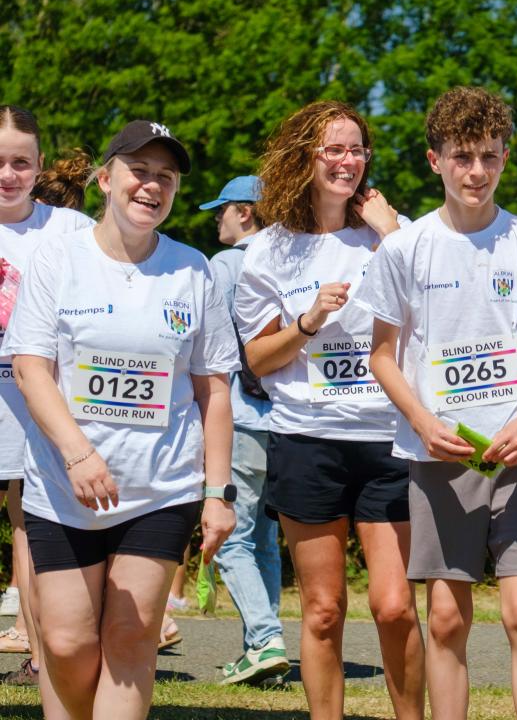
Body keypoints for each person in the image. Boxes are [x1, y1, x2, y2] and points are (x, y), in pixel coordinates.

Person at [4, 119, 238, 719]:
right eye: (139, 171)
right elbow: (32, 370)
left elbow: (213, 390)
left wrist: (218, 492)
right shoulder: (59, 259)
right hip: (63, 488)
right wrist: (78, 455)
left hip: (161, 490)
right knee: (66, 643)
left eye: (166, 176)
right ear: (106, 178)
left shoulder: (194, 269)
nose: (151, 186)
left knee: (131, 638)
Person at [361, 86, 517, 720]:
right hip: (438, 455)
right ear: (436, 161)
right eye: (462, 156)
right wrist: (423, 423)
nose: (476, 171)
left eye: (488, 155)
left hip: (516, 454)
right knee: (448, 618)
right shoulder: (405, 248)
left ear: (507, 158)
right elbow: (382, 354)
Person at [235, 101, 423, 720]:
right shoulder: (265, 251)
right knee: (322, 609)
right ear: (303, 158)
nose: (348, 161)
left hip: (389, 438)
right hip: (306, 440)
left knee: (394, 605)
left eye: (357, 149)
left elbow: (438, 314)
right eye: (334, 150)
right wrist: (309, 321)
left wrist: (393, 232)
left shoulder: (394, 232)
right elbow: (258, 359)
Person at [0, 105, 93, 698]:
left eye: (20, 163)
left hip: (41, 404)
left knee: (34, 530)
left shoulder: (70, 231)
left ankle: (41, 660)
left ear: (38, 167)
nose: (8, 174)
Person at [198, 174, 289, 686]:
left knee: (230, 536)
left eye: (224, 209)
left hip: (240, 417)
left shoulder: (226, 265)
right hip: (291, 421)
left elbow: (210, 347)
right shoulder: (291, 259)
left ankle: (264, 639)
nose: (218, 218)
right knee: (264, 541)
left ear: (246, 213)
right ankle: (265, 656)